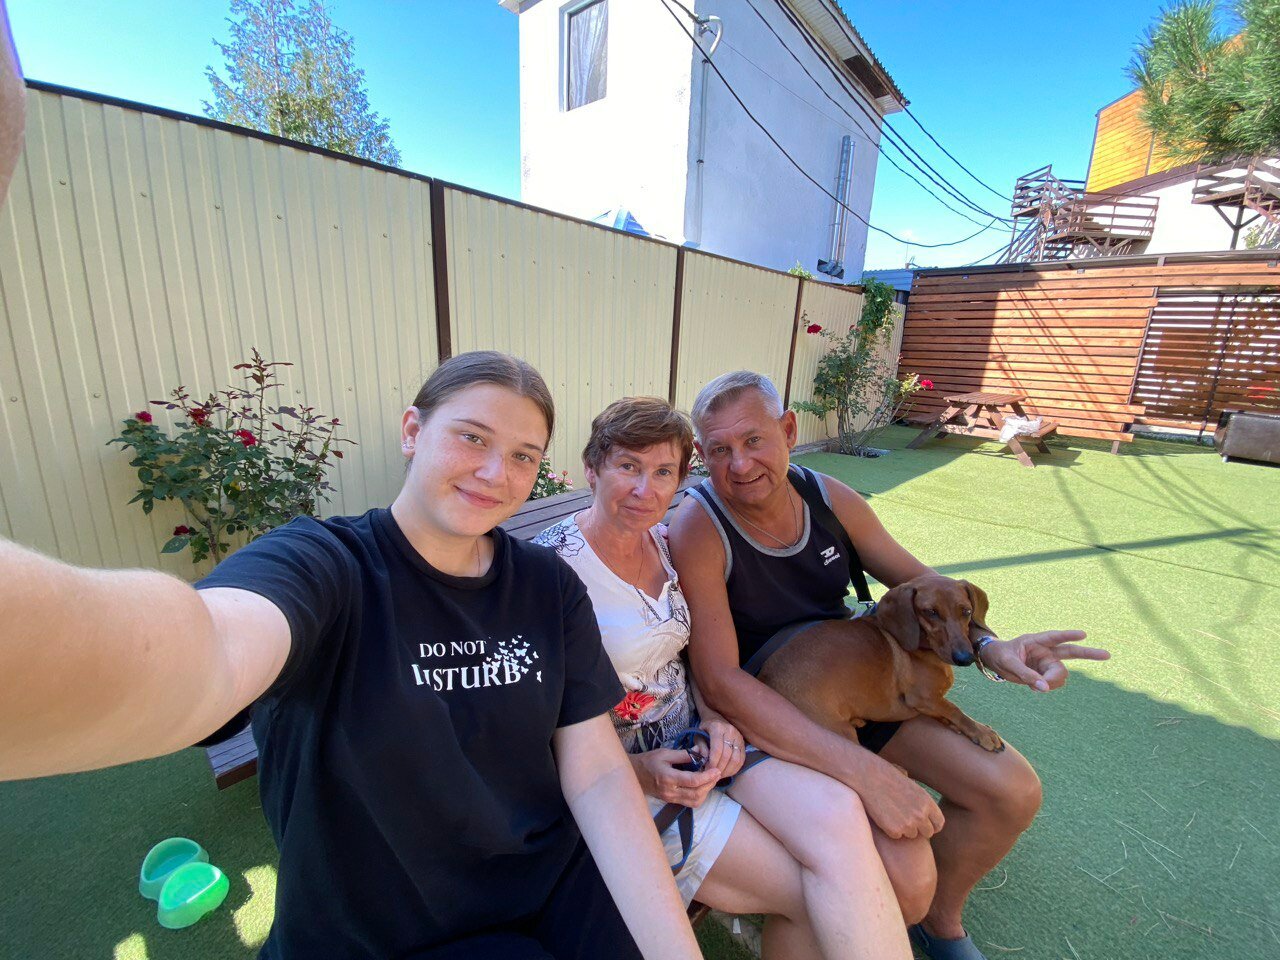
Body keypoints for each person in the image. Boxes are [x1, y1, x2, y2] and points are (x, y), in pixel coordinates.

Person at [0, 352, 704, 960]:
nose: (496, 471)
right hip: (380, 934)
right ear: (412, 431)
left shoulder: (547, 587)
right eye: (472, 437)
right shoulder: (326, 567)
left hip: (553, 891)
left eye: (523, 455)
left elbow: (597, 774)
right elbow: (208, 649)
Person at [668, 370, 1111, 960]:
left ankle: (940, 922)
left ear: (789, 430)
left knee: (1012, 791)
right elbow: (721, 681)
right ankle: (824, 917)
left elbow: (922, 582)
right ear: (702, 456)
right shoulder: (699, 527)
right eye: (720, 450)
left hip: (867, 679)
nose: (741, 464)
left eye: (754, 440)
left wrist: (989, 645)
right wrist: (865, 773)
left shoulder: (827, 498)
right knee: (904, 877)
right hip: (780, 710)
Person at [534, 397, 911, 960]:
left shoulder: (666, 545)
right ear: (592, 469)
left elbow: (688, 659)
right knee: (814, 894)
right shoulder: (549, 570)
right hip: (633, 782)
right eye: (628, 467)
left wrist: (715, 718)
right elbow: (528, 726)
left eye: (663, 472)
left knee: (839, 815)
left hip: (707, 745)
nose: (645, 490)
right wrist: (637, 770)